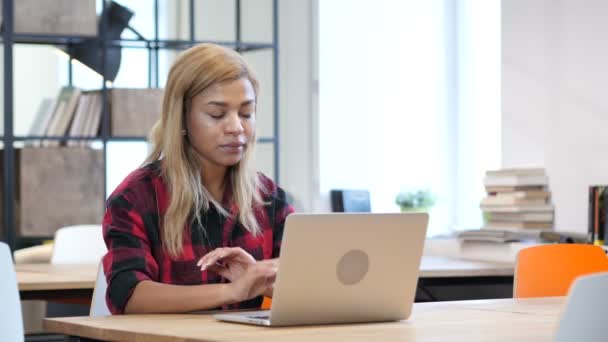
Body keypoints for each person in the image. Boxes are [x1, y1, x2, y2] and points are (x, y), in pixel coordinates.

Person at [101, 43, 294, 314]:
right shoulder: (137, 198)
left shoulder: (270, 197)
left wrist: (260, 280)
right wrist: (230, 291)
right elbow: (129, 296)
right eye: (217, 114)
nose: (236, 127)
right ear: (181, 118)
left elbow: (306, 289)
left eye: (246, 113)